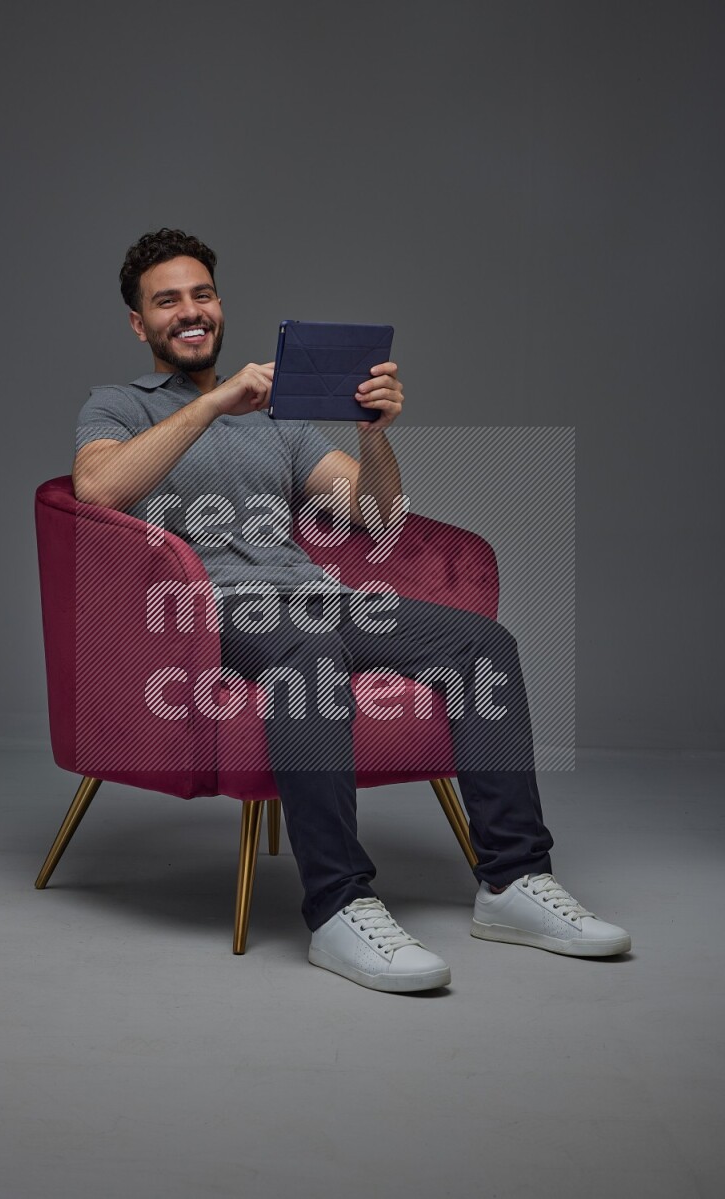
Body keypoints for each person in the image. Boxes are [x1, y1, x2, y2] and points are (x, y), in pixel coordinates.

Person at [73, 227, 631, 993]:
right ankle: (338, 905)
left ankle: (513, 881)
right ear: (141, 324)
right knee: (308, 652)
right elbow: (98, 491)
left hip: (320, 600)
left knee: (483, 646)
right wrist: (213, 405)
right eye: (167, 301)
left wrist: (374, 436)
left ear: (220, 304)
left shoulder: (283, 421)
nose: (190, 310)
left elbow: (379, 514)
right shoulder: (118, 405)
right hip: (210, 611)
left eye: (201, 293)